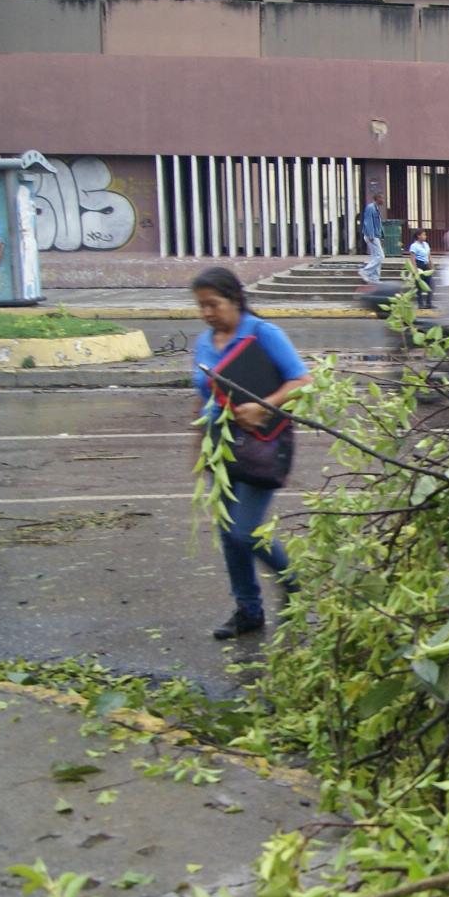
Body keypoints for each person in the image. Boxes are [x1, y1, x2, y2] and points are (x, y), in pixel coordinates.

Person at [190, 267, 310, 640]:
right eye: (201, 306)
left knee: (244, 530)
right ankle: (248, 610)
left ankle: (292, 584)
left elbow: (303, 382)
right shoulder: (204, 342)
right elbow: (204, 394)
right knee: (227, 534)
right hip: (221, 445)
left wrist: (265, 406)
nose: (208, 312)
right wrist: (196, 444)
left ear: (235, 299)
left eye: (214, 304)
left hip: (263, 444)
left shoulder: (263, 334)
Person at [359, 195, 384, 285]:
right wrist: (371, 235)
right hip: (372, 236)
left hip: (376, 236)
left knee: (375, 257)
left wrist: (382, 237)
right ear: (376, 198)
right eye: (381, 198)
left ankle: (374, 278)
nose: (383, 200)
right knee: (380, 256)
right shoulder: (370, 207)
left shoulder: (376, 209)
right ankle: (364, 271)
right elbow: (368, 221)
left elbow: (379, 225)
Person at [407, 232, 434, 308]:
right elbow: (412, 258)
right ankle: (420, 304)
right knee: (419, 286)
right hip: (419, 264)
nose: (425, 236)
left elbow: (428, 255)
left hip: (426, 265)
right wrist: (415, 269)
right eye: (423, 234)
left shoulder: (426, 244)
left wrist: (431, 265)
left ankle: (429, 303)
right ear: (418, 236)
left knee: (431, 284)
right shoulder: (414, 246)